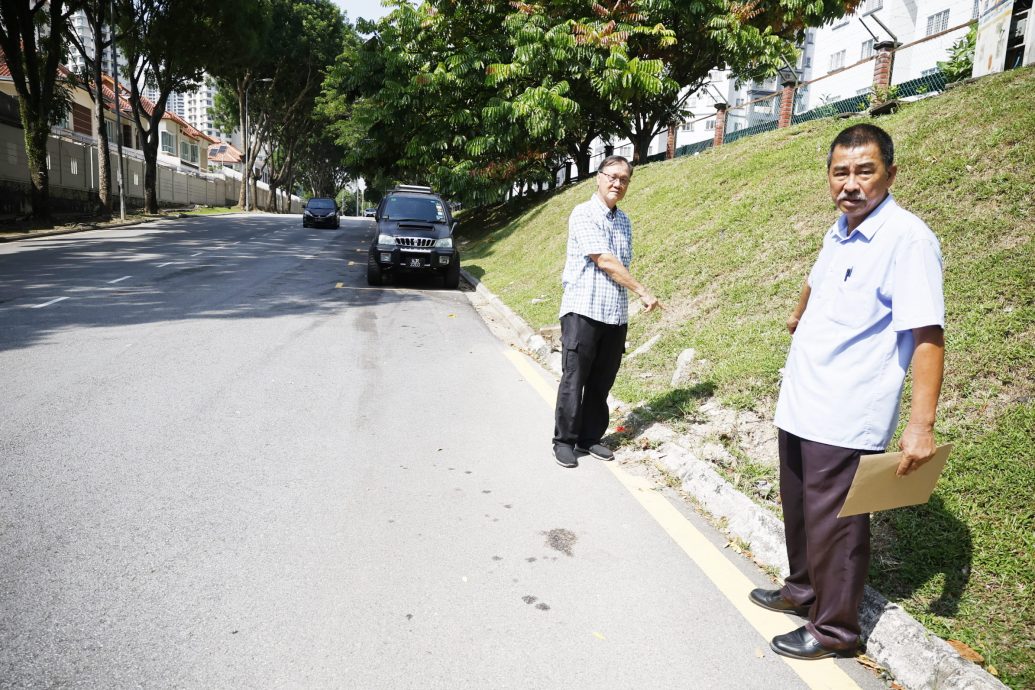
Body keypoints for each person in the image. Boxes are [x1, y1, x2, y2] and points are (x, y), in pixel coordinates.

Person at [750, 124, 946, 660]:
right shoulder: (839, 230)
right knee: (800, 508)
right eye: (841, 172)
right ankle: (802, 590)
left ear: (890, 173)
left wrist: (920, 425)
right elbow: (818, 279)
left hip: (847, 408)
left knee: (836, 524)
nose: (851, 183)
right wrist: (797, 313)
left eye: (865, 171)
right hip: (803, 398)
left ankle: (834, 630)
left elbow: (927, 334)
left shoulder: (907, 240)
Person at [552, 156, 662, 469]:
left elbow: (621, 263)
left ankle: (589, 438)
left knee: (602, 381)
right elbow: (605, 260)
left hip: (614, 313)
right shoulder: (583, 213)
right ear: (598, 178)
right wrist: (642, 290)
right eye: (612, 177)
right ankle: (564, 441)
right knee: (575, 377)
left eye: (624, 179)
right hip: (583, 309)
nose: (617, 184)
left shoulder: (624, 221)